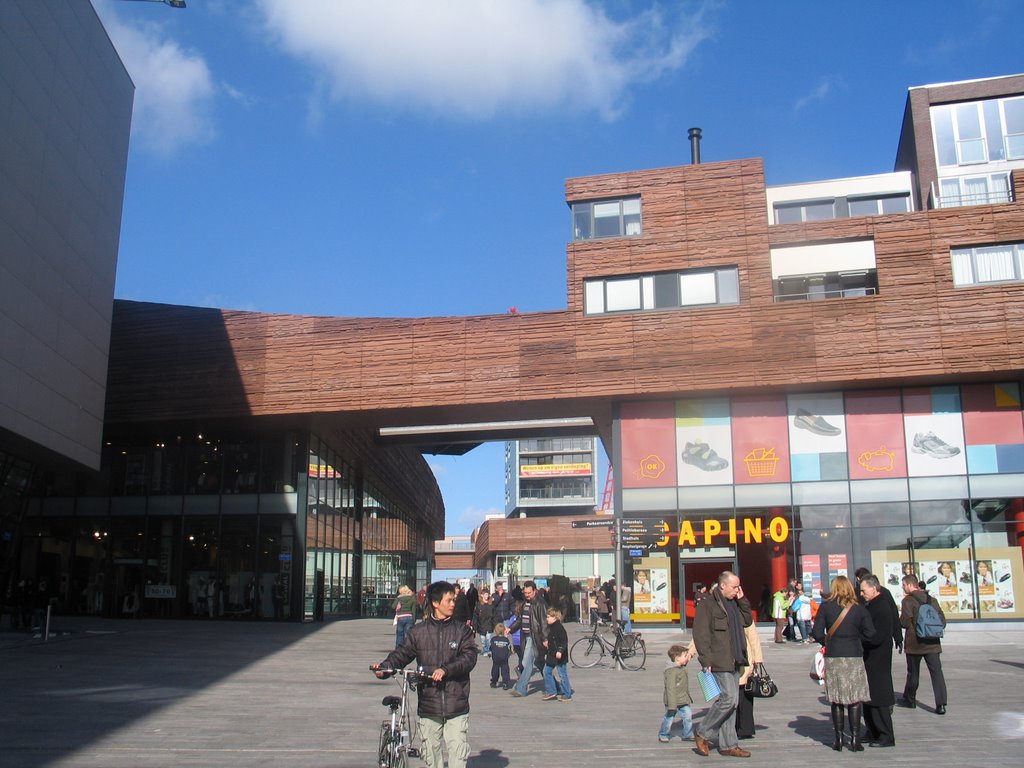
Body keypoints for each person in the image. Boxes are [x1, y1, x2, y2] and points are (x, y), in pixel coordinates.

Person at [372, 581, 477, 768]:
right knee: (431, 754)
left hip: (456, 703)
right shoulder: (418, 632)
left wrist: (446, 669)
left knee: (457, 753)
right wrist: (385, 667)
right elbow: (402, 654)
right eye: (449, 600)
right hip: (429, 703)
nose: (453, 604)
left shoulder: (462, 631)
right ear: (435, 603)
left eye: (453, 600)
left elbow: (469, 658)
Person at [691, 570, 753, 758]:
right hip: (719, 659)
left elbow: (747, 620)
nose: (737, 590)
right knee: (729, 699)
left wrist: (742, 601)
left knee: (732, 703)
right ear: (722, 585)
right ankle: (702, 732)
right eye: (734, 587)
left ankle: (728, 744)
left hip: (735, 657)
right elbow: (700, 634)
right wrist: (705, 659)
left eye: (738, 587)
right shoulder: (708, 605)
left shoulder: (734, 603)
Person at [811, 575, 875, 752]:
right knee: (854, 698)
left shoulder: (825, 607)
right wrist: (856, 641)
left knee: (836, 699)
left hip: (834, 655)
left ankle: (838, 739)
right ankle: (855, 739)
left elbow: (816, 632)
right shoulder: (859, 609)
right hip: (854, 654)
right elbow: (870, 633)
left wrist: (827, 642)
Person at [897, 573, 947, 714]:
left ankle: (910, 699)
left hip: (915, 644)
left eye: (904, 585)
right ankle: (941, 704)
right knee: (937, 673)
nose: (903, 587)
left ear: (910, 585)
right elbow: (942, 620)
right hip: (933, 642)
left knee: (913, 672)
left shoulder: (908, 601)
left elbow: (905, 622)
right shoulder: (932, 600)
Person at [860, 574, 897, 747]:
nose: (861, 594)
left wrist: (861, 639)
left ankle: (885, 734)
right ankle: (872, 730)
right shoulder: (871, 605)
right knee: (868, 697)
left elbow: (877, 636)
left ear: (874, 588)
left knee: (878, 697)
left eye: (863, 590)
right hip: (870, 657)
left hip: (878, 658)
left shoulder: (881, 607)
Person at [506, 581, 547, 697]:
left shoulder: (540, 603)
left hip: (535, 637)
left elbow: (544, 623)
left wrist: (545, 638)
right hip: (526, 636)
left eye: (529, 593)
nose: (527, 595)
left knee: (526, 662)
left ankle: (521, 689)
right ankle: (554, 686)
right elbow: (520, 619)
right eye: (525, 593)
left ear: (535, 591)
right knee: (540, 663)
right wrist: (510, 629)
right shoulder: (525, 603)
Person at [659, 644, 694, 743]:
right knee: (669, 718)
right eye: (685, 656)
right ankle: (663, 734)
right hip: (672, 701)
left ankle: (687, 733)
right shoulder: (671, 671)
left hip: (683, 699)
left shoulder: (682, 668)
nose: (687, 657)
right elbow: (670, 689)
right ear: (677, 658)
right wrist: (672, 705)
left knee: (688, 716)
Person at [735, 621, 764, 740]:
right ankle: (735, 727)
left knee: (744, 695)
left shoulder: (743, 613)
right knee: (733, 696)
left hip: (744, 661)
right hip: (726, 660)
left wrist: (757, 658)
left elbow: (753, 637)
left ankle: (744, 728)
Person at [541, 606, 573, 701]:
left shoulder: (559, 628)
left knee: (562, 674)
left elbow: (564, 641)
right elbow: (553, 639)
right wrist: (547, 642)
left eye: (548, 617)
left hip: (559, 655)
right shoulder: (551, 627)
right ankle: (551, 691)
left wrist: (560, 651)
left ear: (554, 617)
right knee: (546, 671)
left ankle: (567, 694)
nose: (547, 619)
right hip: (552, 654)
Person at [489, 622, 513, 689]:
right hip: (504, 658)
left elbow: (491, 648)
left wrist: (490, 655)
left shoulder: (493, 639)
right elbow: (509, 649)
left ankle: (494, 681)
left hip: (496, 657)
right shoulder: (506, 640)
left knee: (495, 670)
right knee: (505, 670)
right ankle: (505, 683)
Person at [392, 584, 417, 649]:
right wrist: (414, 620)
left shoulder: (399, 598)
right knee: (408, 634)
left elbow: (393, 606)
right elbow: (414, 610)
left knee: (400, 634)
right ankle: (407, 648)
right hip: (410, 617)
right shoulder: (412, 598)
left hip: (401, 617)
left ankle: (398, 648)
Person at [472, 590, 494, 656]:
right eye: (485, 594)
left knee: (488, 639)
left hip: (489, 624)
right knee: (483, 640)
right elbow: (475, 616)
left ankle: (489, 650)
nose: (486, 596)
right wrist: (474, 626)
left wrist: (495, 624)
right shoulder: (479, 605)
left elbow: (494, 615)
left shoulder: (491, 604)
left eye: (487, 594)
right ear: (481, 595)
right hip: (481, 625)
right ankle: (485, 650)